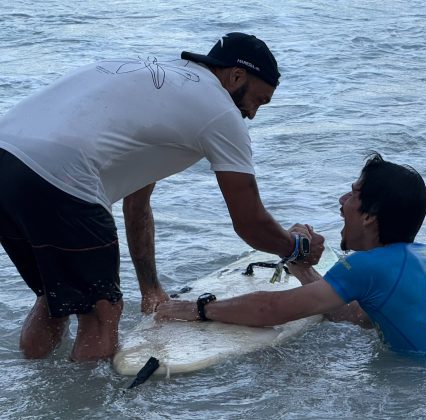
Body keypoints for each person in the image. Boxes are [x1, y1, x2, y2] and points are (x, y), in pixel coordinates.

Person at [0, 32, 321, 362]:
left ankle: (33, 388)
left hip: (6, 158)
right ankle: (84, 409)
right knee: (101, 313)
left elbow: (136, 203)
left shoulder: (164, 82)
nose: (253, 114)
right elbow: (250, 223)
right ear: (236, 75)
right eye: (259, 100)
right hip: (62, 176)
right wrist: (297, 248)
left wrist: (150, 288)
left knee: (54, 298)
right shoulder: (220, 112)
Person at [156, 153, 426, 353]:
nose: (342, 198)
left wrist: (198, 309)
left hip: (424, 381)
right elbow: (357, 317)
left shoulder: (370, 266)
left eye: (354, 193)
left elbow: (271, 310)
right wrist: (297, 263)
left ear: (370, 215)